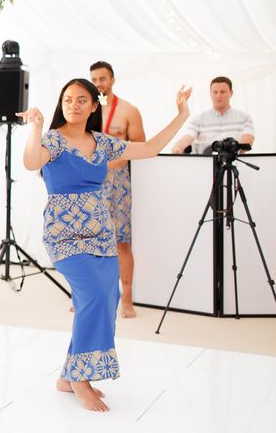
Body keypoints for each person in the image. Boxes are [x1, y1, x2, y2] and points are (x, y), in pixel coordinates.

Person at [19, 79, 191, 412]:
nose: (74, 105)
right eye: (68, 99)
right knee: (93, 296)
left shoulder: (103, 143)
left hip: (101, 234)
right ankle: (81, 379)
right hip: (64, 234)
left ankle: (67, 376)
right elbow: (30, 162)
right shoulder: (53, 139)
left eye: (82, 100)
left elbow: (150, 148)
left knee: (105, 298)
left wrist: (181, 113)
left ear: (94, 106)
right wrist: (36, 128)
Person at [89, 61, 145, 318]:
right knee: (88, 240)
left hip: (118, 181)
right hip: (90, 182)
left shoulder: (128, 110)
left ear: (112, 79)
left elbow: (140, 144)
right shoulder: (86, 109)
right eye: (95, 79)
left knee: (121, 241)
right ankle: (88, 296)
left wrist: (117, 160)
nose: (99, 83)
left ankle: (127, 300)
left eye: (102, 79)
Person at [171, 76, 254, 154]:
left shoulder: (245, 118)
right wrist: (178, 149)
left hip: (235, 163)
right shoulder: (198, 119)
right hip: (207, 165)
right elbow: (187, 138)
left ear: (231, 93)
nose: (218, 95)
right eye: (215, 92)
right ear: (210, 93)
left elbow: (247, 141)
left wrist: (236, 147)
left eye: (223, 92)